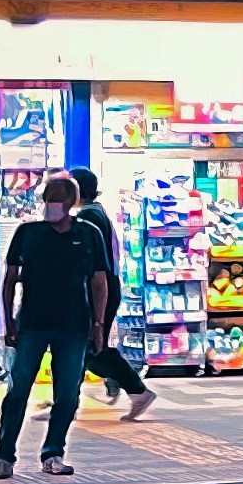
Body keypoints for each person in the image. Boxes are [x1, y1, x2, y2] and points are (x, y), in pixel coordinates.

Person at [0, 173, 108, 477]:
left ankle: (53, 452)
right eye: (49, 200)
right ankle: (3, 456)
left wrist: (99, 324)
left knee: (67, 393)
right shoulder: (28, 233)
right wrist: (8, 322)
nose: (53, 206)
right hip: (32, 323)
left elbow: (99, 282)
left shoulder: (89, 234)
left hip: (74, 324)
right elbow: (10, 279)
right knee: (17, 390)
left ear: (71, 203)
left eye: (59, 200)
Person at [69, 170, 156, 421]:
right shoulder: (95, 212)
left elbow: (88, 259)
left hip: (99, 290)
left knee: (86, 348)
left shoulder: (89, 215)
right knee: (87, 349)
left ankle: (134, 388)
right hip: (103, 288)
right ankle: (123, 386)